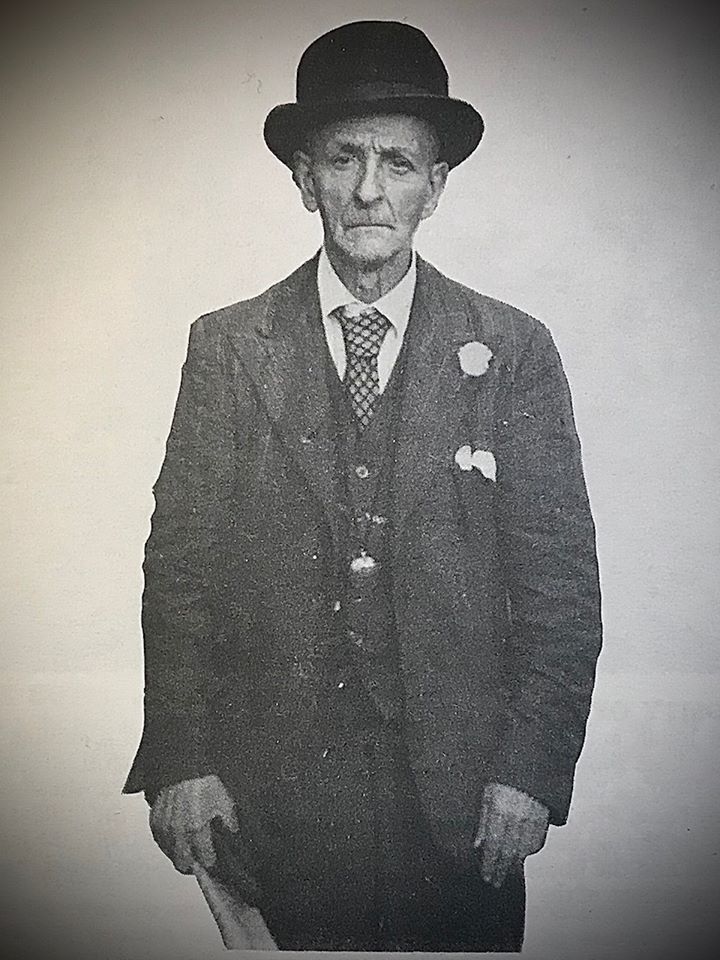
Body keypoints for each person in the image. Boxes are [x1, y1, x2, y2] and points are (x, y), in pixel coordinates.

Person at [124, 20, 603, 952]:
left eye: (398, 162)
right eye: (344, 159)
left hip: (462, 809)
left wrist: (529, 773)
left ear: (436, 186)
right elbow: (179, 571)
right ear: (306, 180)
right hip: (269, 806)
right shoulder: (229, 346)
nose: (369, 190)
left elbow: (560, 589)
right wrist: (181, 759)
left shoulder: (512, 350)